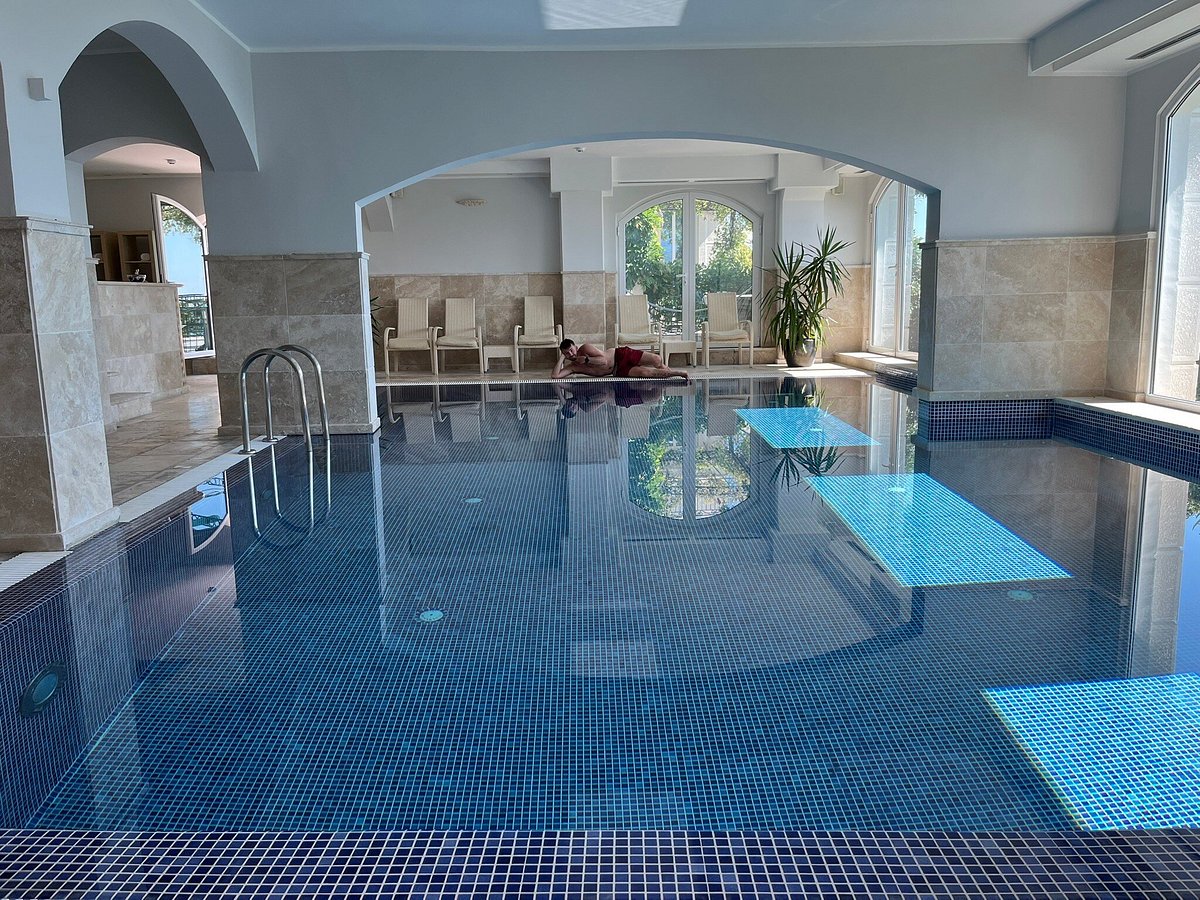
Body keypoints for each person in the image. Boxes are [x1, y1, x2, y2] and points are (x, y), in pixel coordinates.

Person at [552, 339, 690, 381]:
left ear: (576, 347)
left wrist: (587, 360)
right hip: (618, 371)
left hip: (620, 355)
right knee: (646, 373)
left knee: (656, 359)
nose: (571, 354)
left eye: (571, 350)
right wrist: (562, 358)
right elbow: (555, 376)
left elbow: (603, 361)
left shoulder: (585, 348)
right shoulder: (573, 367)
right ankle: (677, 373)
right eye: (567, 353)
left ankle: (668, 373)